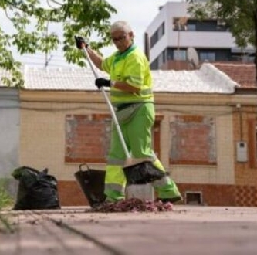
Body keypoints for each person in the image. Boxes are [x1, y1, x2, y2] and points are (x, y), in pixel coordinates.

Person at [77, 21, 181, 203]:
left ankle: (168, 192)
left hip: (139, 108)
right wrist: (87, 49)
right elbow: (102, 64)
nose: (118, 42)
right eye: (114, 39)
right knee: (116, 157)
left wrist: (109, 83)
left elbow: (134, 86)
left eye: (121, 38)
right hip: (121, 111)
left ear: (131, 35)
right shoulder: (118, 57)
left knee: (142, 154)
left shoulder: (135, 57)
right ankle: (113, 197)